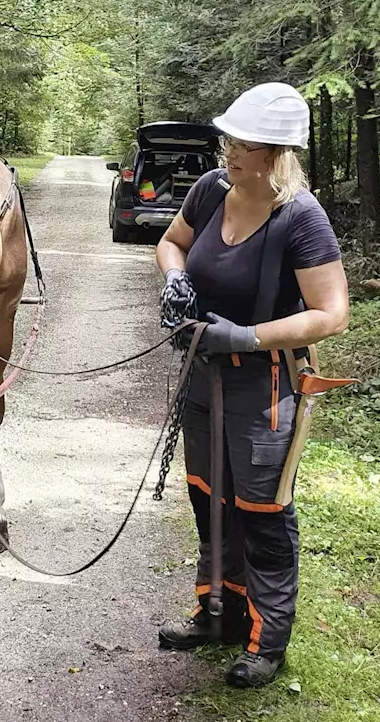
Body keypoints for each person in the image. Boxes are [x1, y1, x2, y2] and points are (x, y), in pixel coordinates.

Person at [155, 82, 350, 688]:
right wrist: (175, 281)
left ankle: (267, 642)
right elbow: (171, 243)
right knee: (208, 498)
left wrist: (245, 336)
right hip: (201, 378)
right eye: (229, 138)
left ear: (277, 152)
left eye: (244, 143)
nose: (229, 150)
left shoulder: (301, 216)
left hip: (262, 387)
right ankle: (218, 613)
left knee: (262, 512)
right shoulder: (211, 190)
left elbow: (331, 312)